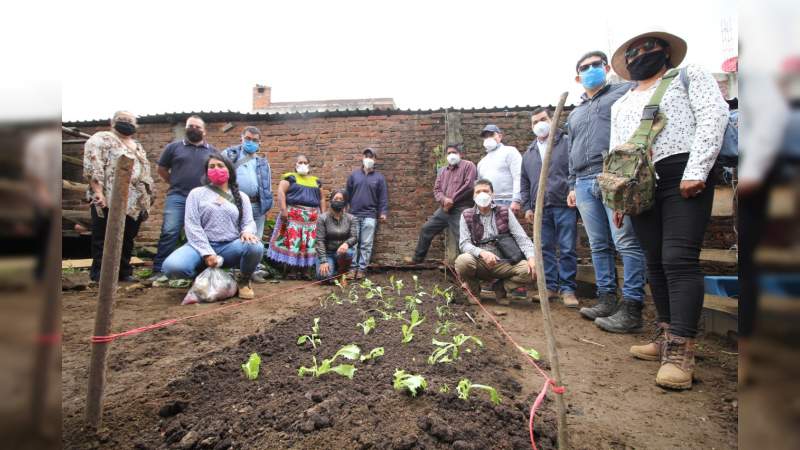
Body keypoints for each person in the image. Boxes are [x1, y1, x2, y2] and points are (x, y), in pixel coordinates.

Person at [609, 30, 729, 389]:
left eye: (649, 47)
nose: (640, 54)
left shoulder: (688, 76)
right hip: (639, 183)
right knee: (655, 261)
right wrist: (618, 198)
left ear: (666, 52)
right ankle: (665, 335)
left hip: (681, 174)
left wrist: (697, 170)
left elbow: (714, 116)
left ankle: (682, 349)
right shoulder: (621, 102)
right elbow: (618, 149)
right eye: (633, 51)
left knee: (678, 258)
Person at [566, 50, 648, 331]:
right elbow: (570, 150)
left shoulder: (625, 93)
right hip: (583, 181)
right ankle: (606, 298)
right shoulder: (575, 113)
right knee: (598, 245)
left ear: (606, 68)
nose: (591, 70)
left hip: (615, 178)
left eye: (596, 65)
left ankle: (632, 305)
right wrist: (571, 183)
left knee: (625, 241)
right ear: (578, 77)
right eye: (584, 67)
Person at [161, 154, 263, 299]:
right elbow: (192, 225)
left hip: (229, 247)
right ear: (207, 172)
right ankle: (200, 277)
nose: (216, 169)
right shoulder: (196, 194)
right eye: (212, 167)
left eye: (220, 166)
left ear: (229, 171)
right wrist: (207, 253)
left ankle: (244, 280)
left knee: (255, 246)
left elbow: (248, 221)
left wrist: (247, 231)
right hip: (198, 247)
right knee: (172, 267)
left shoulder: (241, 197)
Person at [83, 111, 154, 282]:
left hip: (134, 201)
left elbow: (145, 172)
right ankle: (101, 274)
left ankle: (124, 272)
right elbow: (93, 165)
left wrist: (149, 198)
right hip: (108, 196)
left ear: (136, 125)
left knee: (127, 237)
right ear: (112, 122)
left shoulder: (137, 145)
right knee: (105, 236)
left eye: (130, 121)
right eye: (122, 120)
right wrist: (98, 192)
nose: (126, 123)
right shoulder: (101, 139)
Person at [520, 107, 578, 307]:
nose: (539, 124)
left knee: (567, 247)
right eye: (535, 122)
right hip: (540, 209)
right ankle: (551, 287)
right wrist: (528, 207)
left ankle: (568, 289)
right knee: (545, 249)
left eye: (543, 119)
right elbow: (525, 183)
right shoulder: (529, 153)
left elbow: (575, 169)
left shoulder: (567, 143)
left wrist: (572, 189)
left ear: (552, 119)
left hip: (563, 204)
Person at [151, 115, 217, 278]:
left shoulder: (212, 151)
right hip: (178, 197)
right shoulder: (173, 147)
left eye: (198, 127)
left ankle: (199, 270)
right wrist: (173, 182)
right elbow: (161, 169)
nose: (194, 129)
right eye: (190, 126)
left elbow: (217, 174)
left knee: (202, 233)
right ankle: (159, 269)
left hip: (203, 200)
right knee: (170, 231)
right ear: (186, 128)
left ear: (204, 131)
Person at [454, 179, 537, 306]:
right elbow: (464, 244)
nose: (482, 194)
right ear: (473, 195)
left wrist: (531, 258)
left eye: (486, 191)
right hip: (479, 262)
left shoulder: (504, 212)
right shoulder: (467, 215)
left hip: (503, 262)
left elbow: (522, 238)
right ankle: (474, 291)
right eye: (478, 192)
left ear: (493, 194)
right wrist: (482, 253)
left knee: (530, 270)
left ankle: (501, 288)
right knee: (462, 261)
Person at [406, 144, 477, 264]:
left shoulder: (468, 166)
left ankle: (469, 267)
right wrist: (444, 200)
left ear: (460, 154)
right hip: (444, 209)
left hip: (461, 209)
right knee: (426, 229)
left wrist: (452, 199)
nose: (451, 155)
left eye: (453, 152)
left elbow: (469, 186)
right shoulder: (443, 171)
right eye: (448, 153)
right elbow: (437, 189)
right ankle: (417, 259)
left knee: (463, 238)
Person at [266, 154, 322, 274]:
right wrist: (283, 210)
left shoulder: (316, 181)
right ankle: (290, 271)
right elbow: (281, 192)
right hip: (292, 217)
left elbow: (321, 199)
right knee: (292, 244)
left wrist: (322, 215)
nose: (302, 165)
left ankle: (304, 272)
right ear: (295, 165)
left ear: (309, 165)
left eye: (305, 163)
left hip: (311, 220)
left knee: (308, 245)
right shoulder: (290, 178)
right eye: (300, 162)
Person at [222, 126, 273, 240]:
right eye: (248, 138)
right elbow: (219, 179)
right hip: (235, 203)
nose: (251, 142)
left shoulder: (263, 162)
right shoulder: (229, 155)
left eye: (255, 140)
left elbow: (268, 186)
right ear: (242, 139)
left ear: (259, 143)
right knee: (235, 238)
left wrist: (265, 207)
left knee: (256, 240)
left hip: (256, 206)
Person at [346, 147, 389, 279]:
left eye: (371, 157)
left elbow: (383, 197)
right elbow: (347, 193)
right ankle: (352, 269)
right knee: (354, 243)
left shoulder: (379, 178)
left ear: (375, 160)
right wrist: (345, 209)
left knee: (366, 244)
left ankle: (362, 269)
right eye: (367, 156)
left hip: (370, 215)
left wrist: (383, 212)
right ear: (362, 158)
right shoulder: (354, 175)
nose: (369, 159)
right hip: (353, 214)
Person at [477, 124, 522, 213]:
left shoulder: (510, 151)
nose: (488, 138)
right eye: (485, 137)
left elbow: (518, 176)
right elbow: (480, 186)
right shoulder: (482, 162)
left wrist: (516, 199)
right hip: (488, 203)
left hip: (508, 202)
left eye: (491, 135)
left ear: (500, 136)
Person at [315, 189, 357, 280]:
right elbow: (319, 241)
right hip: (327, 253)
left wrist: (346, 244)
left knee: (349, 252)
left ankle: (342, 272)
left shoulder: (351, 218)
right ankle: (334, 272)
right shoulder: (322, 218)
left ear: (345, 202)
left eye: (341, 199)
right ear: (331, 201)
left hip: (341, 253)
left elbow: (354, 237)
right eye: (336, 198)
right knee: (323, 276)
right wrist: (323, 261)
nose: (338, 201)